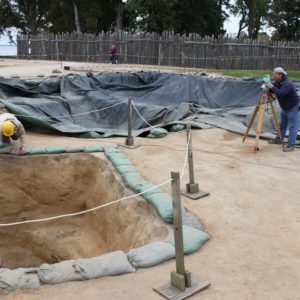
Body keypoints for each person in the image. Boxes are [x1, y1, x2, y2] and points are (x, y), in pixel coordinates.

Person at [265, 67, 300, 152]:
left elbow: (281, 93)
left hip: (293, 107)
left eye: (274, 74)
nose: (273, 75)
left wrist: (271, 86)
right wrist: (268, 90)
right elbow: (275, 91)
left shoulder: (287, 83)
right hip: (285, 107)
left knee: (293, 127)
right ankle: (278, 140)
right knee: (282, 125)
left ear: (280, 75)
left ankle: (290, 145)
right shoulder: (278, 82)